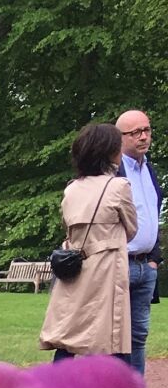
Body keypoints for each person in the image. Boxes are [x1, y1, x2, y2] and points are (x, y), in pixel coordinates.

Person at [41, 121, 137, 365]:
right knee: (112, 337)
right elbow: (132, 229)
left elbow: (68, 227)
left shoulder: (72, 189)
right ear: (110, 152)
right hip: (106, 272)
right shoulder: (118, 186)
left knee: (69, 334)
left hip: (75, 268)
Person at [117, 108, 162, 388]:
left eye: (146, 130)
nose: (143, 136)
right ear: (120, 138)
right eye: (135, 132)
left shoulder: (151, 171)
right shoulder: (110, 170)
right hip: (118, 264)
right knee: (114, 337)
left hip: (145, 266)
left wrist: (155, 258)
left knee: (139, 337)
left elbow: (151, 215)